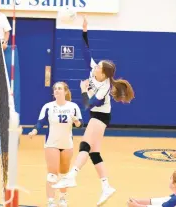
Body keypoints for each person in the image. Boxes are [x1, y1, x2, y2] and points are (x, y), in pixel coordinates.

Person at [52, 16, 135, 206]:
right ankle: (106, 187)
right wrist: (84, 31)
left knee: (84, 145)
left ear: (104, 74)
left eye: (99, 67)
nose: (96, 66)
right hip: (97, 115)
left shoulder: (105, 87)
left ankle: (72, 176)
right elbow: (85, 51)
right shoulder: (93, 70)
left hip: (100, 116)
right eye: (97, 65)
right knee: (94, 153)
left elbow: (89, 105)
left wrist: (82, 90)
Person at [28, 82, 83, 207]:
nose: (57, 90)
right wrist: (35, 130)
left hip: (67, 144)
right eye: (55, 89)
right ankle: (51, 201)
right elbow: (40, 122)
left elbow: (80, 124)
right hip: (52, 143)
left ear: (65, 91)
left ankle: (63, 199)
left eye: (60, 88)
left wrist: (76, 122)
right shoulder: (48, 107)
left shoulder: (73, 106)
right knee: (52, 175)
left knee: (64, 174)